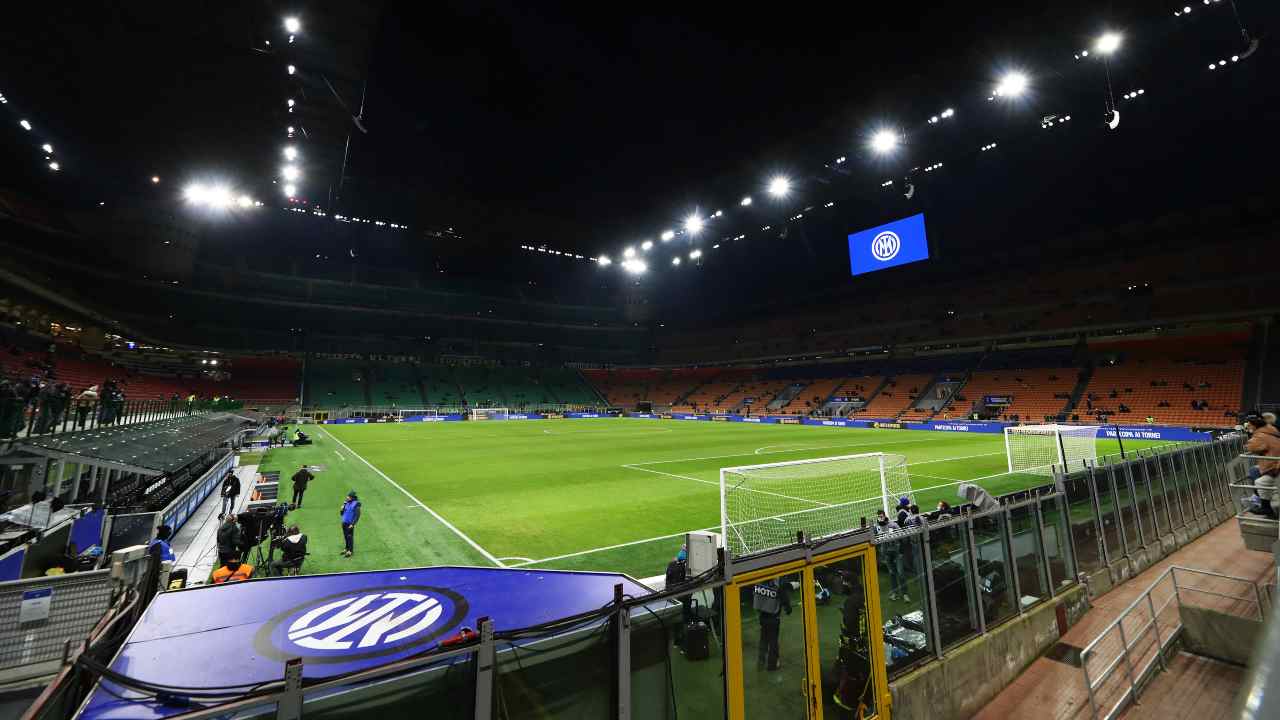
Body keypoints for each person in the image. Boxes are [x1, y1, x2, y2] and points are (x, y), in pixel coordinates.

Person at [833, 576, 872, 716]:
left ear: (849, 584)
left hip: (853, 647)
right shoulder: (866, 596)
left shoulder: (850, 602)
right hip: (866, 645)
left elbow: (849, 624)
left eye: (844, 583)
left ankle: (846, 706)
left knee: (849, 676)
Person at [1244, 416, 1280, 519]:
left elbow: (1251, 447)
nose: (1248, 426)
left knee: (1259, 481)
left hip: (1274, 467)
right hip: (1274, 464)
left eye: (1249, 424)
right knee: (1254, 470)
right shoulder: (1270, 431)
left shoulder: (1260, 435)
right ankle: (1259, 497)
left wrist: (1250, 435)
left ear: (1254, 425)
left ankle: (1264, 505)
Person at [753, 577, 792, 670]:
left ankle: (761, 662)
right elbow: (783, 596)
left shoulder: (760, 580)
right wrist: (788, 609)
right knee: (773, 641)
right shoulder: (777, 583)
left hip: (762, 615)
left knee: (764, 639)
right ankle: (772, 664)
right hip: (773, 616)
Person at [340, 491, 361, 557]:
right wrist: (342, 508)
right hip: (344, 522)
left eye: (348, 496)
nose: (347, 497)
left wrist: (353, 524)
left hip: (350, 524)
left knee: (349, 537)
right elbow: (341, 514)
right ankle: (346, 548)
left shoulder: (356, 504)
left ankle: (350, 551)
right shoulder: (346, 503)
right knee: (346, 536)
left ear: (352, 497)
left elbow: (357, 515)